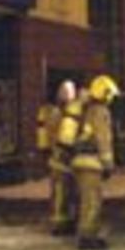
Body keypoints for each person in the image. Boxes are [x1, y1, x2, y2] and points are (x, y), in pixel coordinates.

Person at [56, 74, 119, 250]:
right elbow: (103, 140)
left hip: (77, 160)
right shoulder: (100, 112)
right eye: (110, 95)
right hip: (92, 163)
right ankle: (88, 238)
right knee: (92, 201)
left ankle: (84, 232)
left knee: (84, 199)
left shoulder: (82, 108)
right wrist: (108, 164)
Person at [39, 80, 78, 235]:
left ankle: (67, 220)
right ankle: (60, 223)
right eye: (67, 92)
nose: (69, 96)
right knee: (61, 192)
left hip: (64, 157)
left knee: (67, 191)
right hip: (60, 157)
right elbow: (44, 134)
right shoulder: (57, 112)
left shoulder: (50, 111)